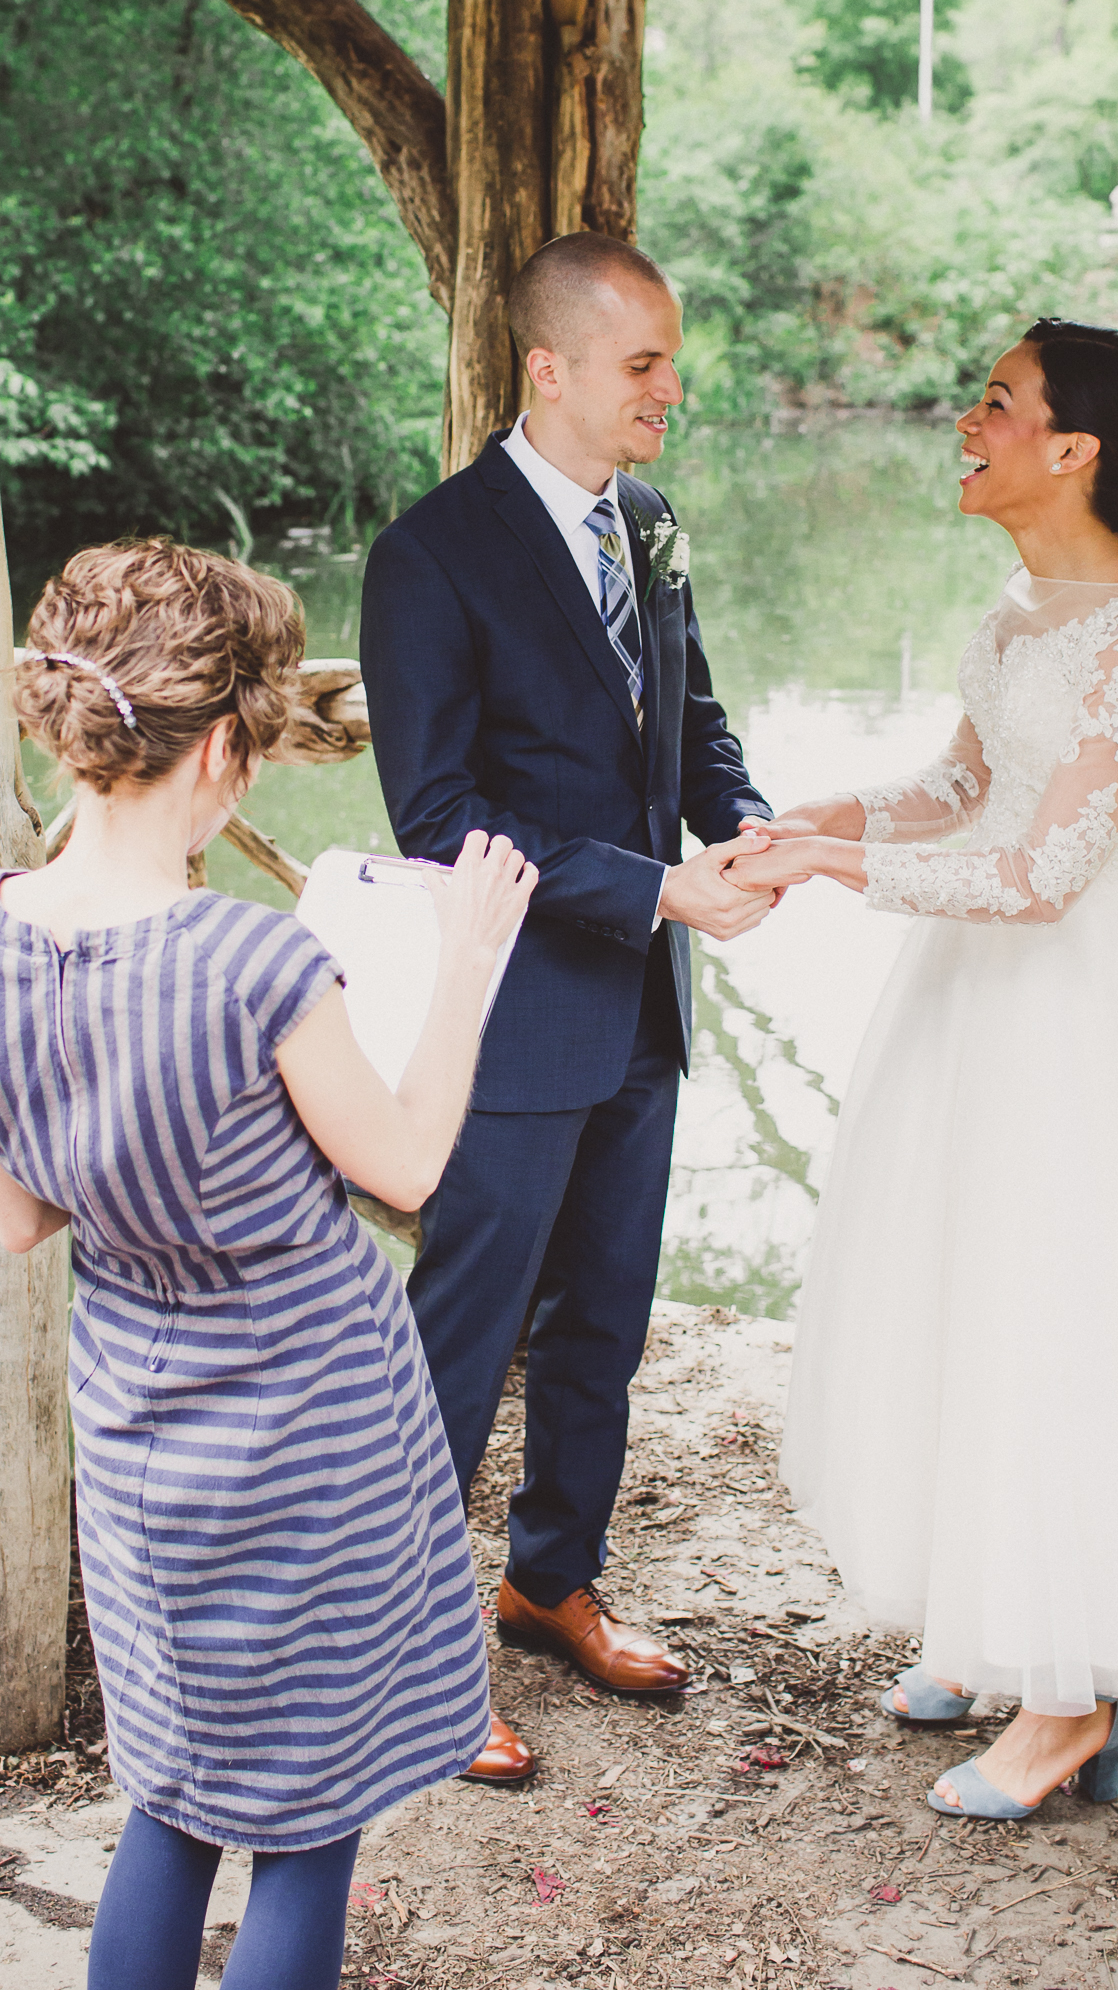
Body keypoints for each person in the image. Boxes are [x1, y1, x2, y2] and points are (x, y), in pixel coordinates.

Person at [729, 320, 1118, 1821]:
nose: (969, 418)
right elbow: (962, 787)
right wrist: (820, 814)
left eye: (997, 402)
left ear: (1072, 451)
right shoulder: (1022, 605)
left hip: (1088, 1000)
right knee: (966, 1289)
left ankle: (1069, 1695)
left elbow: (1043, 870)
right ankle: (992, 1615)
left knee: (1068, 1309)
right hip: (984, 999)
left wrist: (831, 872)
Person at [0, 538, 537, 1988]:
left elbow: (19, 1218)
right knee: (308, 1828)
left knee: (168, 1803)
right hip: (310, 1434)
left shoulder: (3, 940)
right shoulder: (259, 967)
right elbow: (411, 1162)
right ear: (228, 747)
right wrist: (470, 959)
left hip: (139, 1439)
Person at [360, 232, 774, 1750]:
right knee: (465, 1333)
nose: (671, 389)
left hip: (644, 1013)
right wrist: (657, 884)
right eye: (644, 364)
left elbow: (697, 724)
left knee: (605, 1319)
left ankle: (552, 1584)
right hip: (511, 1016)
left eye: (671, 360)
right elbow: (443, 818)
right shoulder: (431, 555)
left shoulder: (647, 524)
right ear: (552, 368)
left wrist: (748, 835)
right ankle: (406, 1641)